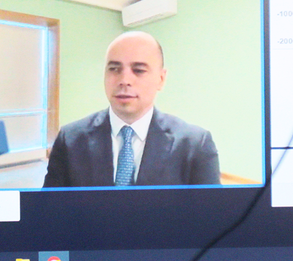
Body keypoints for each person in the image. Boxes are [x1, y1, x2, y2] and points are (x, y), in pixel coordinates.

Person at [42, 31, 219, 188]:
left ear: (161, 79)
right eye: (114, 69)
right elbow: (50, 209)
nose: (124, 80)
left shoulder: (195, 145)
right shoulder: (70, 140)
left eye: (138, 70)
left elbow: (210, 213)